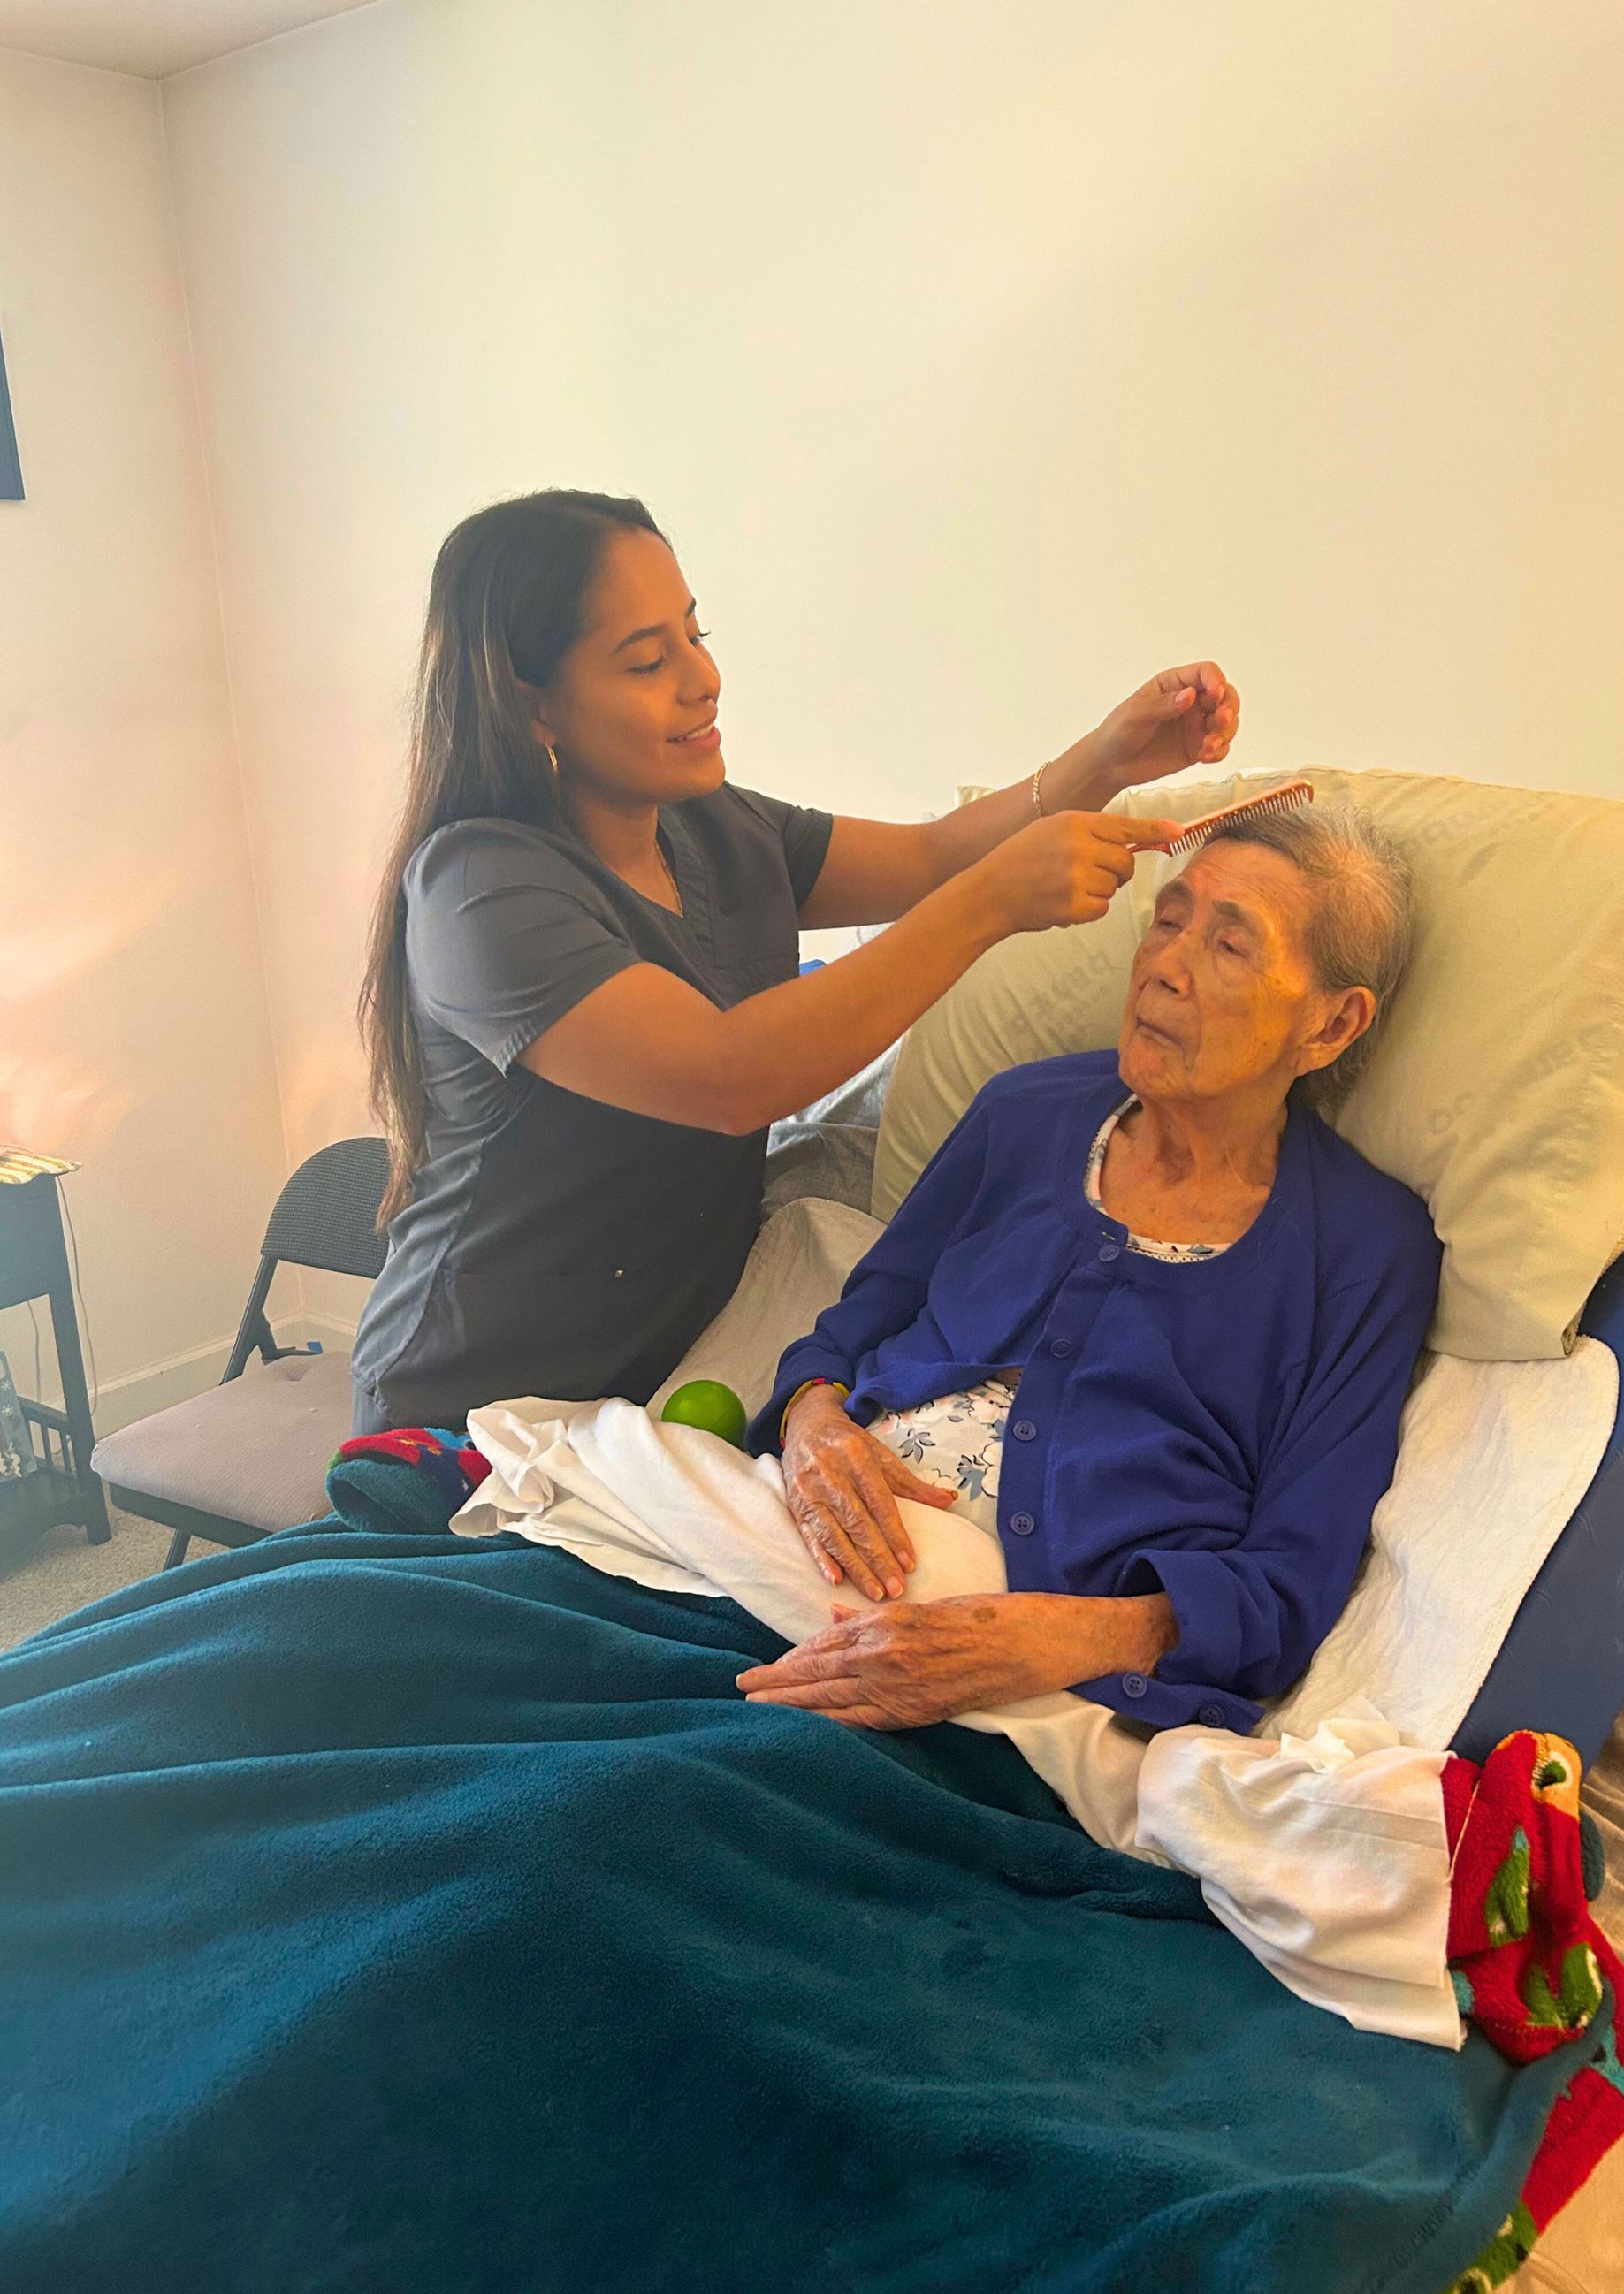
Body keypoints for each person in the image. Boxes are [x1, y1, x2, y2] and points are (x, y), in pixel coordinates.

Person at [351, 488, 1239, 1434]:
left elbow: (931, 858)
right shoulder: (478, 890)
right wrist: (990, 906)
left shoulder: (715, 826)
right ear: (533, 707)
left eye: (697, 634)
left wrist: (1105, 757)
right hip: (473, 1409)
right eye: (648, 660)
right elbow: (731, 1076)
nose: (704, 679)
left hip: (665, 1381)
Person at [738, 804, 1441, 1736]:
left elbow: (1289, 1580)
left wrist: (1049, 1642)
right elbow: (846, 1336)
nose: (1165, 966)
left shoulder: (1363, 1249)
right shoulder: (1023, 1112)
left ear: (1331, 1025)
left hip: (1030, 1701)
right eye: (1170, 919)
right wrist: (813, 1424)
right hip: (779, 1565)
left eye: (1229, 948)